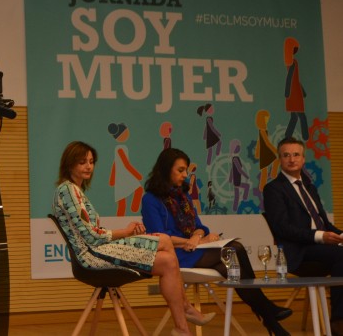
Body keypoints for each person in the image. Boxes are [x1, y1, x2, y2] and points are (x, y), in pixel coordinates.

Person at [52, 141, 214, 336]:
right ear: (69, 164)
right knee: (164, 242)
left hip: (99, 249)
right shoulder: (67, 191)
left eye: (91, 161)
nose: (88, 166)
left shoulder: (75, 191)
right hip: (92, 256)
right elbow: (92, 236)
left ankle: (182, 327)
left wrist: (125, 233)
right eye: (82, 162)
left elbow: (91, 231)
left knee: (168, 256)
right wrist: (126, 232)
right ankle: (185, 310)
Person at [142, 147, 293, 336]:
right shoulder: (150, 200)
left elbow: (199, 226)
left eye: (186, 170)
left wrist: (198, 237)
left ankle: (270, 320)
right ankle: (268, 312)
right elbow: (159, 237)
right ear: (165, 169)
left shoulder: (183, 195)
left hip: (193, 248)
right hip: (174, 255)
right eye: (180, 170)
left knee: (231, 264)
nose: (185, 175)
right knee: (234, 250)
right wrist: (193, 241)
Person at [263, 137, 343, 336]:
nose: (291, 159)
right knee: (341, 257)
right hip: (298, 252)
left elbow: (325, 224)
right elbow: (282, 228)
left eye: (296, 155)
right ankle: (338, 322)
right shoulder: (274, 189)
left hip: (320, 247)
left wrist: (340, 234)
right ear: (280, 160)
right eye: (286, 155)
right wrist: (319, 236)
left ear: (303, 158)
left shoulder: (309, 186)